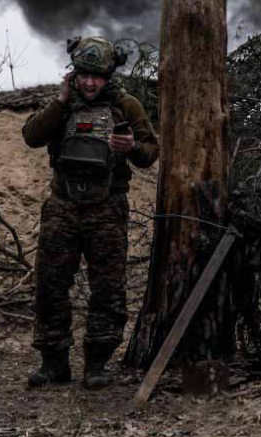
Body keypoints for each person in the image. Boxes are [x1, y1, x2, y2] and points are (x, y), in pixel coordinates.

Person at [21, 36, 159, 389]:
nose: (90, 83)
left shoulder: (126, 105)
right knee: (50, 284)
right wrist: (60, 101)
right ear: (74, 73)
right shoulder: (63, 104)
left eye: (96, 77)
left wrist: (131, 147)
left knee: (108, 288)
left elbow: (150, 153)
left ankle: (97, 364)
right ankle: (54, 363)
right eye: (83, 75)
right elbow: (32, 136)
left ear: (108, 75)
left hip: (107, 208)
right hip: (62, 207)